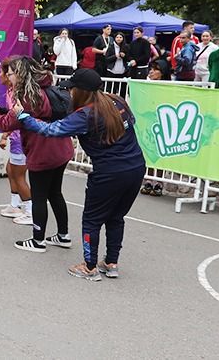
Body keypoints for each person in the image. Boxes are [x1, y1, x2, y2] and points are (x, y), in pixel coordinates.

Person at [14, 68, 146, 280]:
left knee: (92, 220)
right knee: (116, 217)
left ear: (81, 91)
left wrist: (23, 116)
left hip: (109, 174)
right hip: (136, 167)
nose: (70, 93)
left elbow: (51, 130)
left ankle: (89, 267)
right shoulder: (117, 101)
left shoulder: (86, 115)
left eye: (72, 89)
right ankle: (111, 263)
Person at [0, 56, 75, 253]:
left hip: (43, 152)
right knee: (55, 192)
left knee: (39, 196)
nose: (8, 76)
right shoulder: (45, 89)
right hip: (62, 148)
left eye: (11, 73)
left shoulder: (27, 97)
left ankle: (38, 240)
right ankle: (63, 235)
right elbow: (15, 117)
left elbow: (5, 124)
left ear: (21, 74)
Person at [0, 56, 33, 224]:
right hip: (17, 138)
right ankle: (15, 205)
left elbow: (15, 118)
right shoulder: (11, 92)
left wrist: (4, 135)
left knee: (18, 175)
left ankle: (31, 212)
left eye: (5, 73)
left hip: (21, 139)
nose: (1, 76)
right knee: (11, 169)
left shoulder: (18, 93)